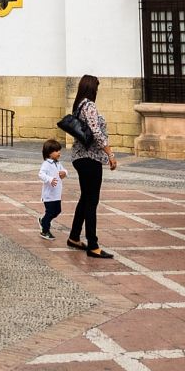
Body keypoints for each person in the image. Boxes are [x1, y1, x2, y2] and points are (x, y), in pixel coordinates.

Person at [66, 74, 118, 259]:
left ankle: (74, 236)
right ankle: (93, 244)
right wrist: (110, 154)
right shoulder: (89, 105)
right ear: (92, 88)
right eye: (96, 87)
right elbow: (96, 131)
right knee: (91, 201)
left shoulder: (79, 104)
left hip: (80, 157)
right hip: (90, 158)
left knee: (85, 198)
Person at [38, 137, 67, 240]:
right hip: (49, 194)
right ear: (49, 153)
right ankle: (45, 230)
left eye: (59, 150)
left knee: (57, 211)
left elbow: (64, 170)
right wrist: (49, 179)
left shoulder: (58, 163)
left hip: (57, 194)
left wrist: (64, 173)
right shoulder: (46, 164)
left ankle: (43, 220)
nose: (58, 153)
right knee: (50, 212)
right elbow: (41, 174)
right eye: (56, 151)